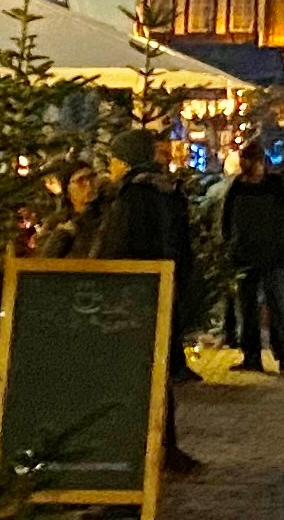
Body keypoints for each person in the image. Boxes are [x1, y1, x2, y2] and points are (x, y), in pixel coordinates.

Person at [79, 143, 207, 476]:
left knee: (136, 378)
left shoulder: (133, 198)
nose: (112, 168)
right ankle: (165, 448)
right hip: (160, 294)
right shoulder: (162, 191)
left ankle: (129, 466)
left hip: (133, 299)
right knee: (157, 373)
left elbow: (118, 251)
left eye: (114, 161)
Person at [220, 152, 284, 374]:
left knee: (276, 306)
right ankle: (252, 356)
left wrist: (283, 247)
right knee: (247, 309)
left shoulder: (275, 185)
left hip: (272, 256)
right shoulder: (238, 186)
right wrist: (231, 243)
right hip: (244, 255)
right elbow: (227, 218)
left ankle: (283, 354)